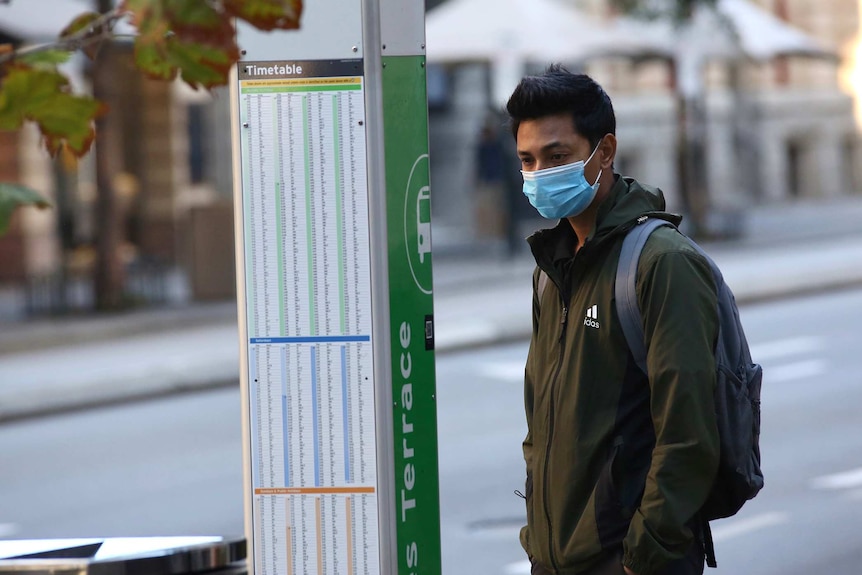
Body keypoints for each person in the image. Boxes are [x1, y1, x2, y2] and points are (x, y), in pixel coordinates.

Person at [507, 65, 721, 575]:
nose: (539, 174)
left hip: (629, 559)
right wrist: (538, 541)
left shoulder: (660, 261)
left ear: (604, 151)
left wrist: (644, 554)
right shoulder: (552, 270)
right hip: (557, 558)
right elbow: (544, 425)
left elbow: (689, 432)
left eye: (557, 157)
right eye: (527, 160)